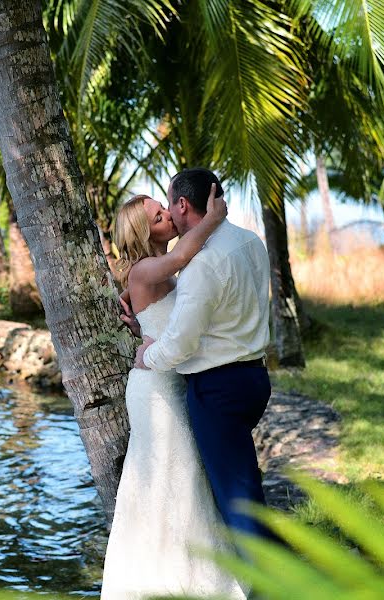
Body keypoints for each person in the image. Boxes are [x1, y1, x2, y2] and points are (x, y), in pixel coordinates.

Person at [100, 185, 246, 600]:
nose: (168, 214)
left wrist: (137, 318)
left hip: (174, 380)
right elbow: (183, 256)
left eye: (164, 208)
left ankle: (193, 571)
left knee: (186, 476)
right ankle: (158, 578)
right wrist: (213, 219)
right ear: (144, 231)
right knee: (165, 475)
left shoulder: (155, 271)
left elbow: (168, 304)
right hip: (155, 389)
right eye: (159, 214)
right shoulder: (147, 270)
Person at [134, 167, 273, 542]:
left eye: (167, 205)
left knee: (239, 503)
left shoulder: (201, 262)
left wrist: (146, 357)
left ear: (182, 204)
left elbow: (180, 343)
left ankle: (279, 584)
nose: (166, 212)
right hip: (256, 379)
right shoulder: (250, 241)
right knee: (238, 491)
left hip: (218, 388)